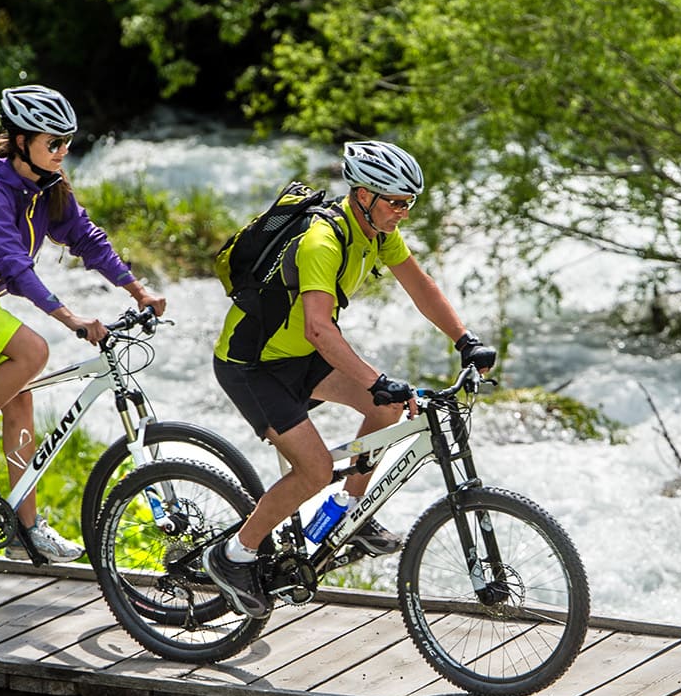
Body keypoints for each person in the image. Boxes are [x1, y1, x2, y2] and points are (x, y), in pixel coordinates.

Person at [203, 140, 494, 618]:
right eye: (396, 202)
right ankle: (233, 555)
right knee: (314, 469)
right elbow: (319, 327)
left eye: (409, 203)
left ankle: (347, 514)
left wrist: (465, 339)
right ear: (363, 195)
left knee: (387, 407)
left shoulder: (378, 233)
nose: (403, 212)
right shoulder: (321, 241)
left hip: (300, 354)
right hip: (252, 364)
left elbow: (420, 286)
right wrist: (376, 376)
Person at [0, 83, 166, 563]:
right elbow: (15, 268)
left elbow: (86, 237)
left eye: (67, 142)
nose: (63, 152)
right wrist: (70, 318)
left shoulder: (46, 189)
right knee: (34, 352)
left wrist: (136, 289)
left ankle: (25, 528)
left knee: (19, 400)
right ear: (21, 141)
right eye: (53, 143)